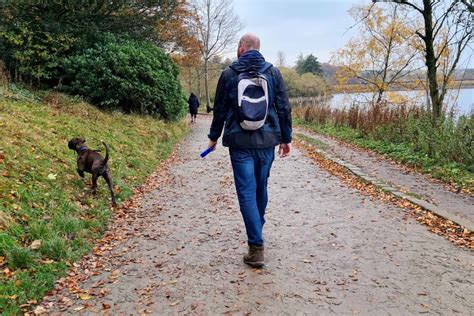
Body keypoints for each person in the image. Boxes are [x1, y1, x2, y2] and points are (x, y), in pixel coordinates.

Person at [207, 33, 292, 267]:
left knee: (246, 192)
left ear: (241, 48)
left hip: (239, 142)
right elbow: (284, 107)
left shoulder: (229, 74)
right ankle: (257, 228)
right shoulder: (273, 72)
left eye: (238, 46)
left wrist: (213, 138)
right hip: (267, 142)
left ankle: (256, 247)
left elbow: (220, 110)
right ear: (258, 49)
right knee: (260, 187)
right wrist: (286, 139)